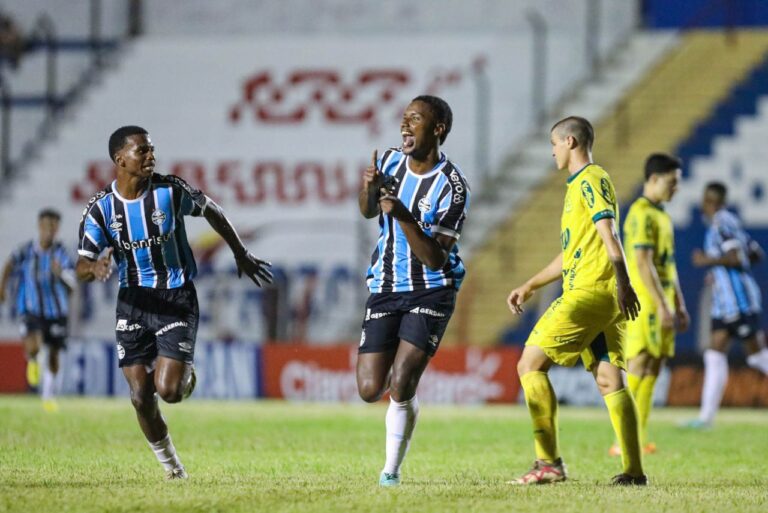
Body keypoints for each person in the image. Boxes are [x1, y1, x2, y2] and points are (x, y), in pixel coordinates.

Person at [75, 126, 273, 479]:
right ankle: (173, 468)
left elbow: (212, 209)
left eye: (152, 150)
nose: (151, 156)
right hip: (133, 301)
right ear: (120, 159)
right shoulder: (101, 210)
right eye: (143, 151)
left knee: (168, 391)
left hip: (176, 296)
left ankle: (182, 375)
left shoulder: (169, 191)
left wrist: (240, 253)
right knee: (139, 397)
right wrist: (95, 266)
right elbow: (80, 266)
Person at [506, 116, 647, 486]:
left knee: (529, 364)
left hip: (590, 293)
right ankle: (633, 471)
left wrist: (624, 283)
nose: (552, 151)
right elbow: (573, 253)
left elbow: (609, 232)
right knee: (609, 377)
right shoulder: (579, 187)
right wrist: (531, 284)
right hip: (603, 293)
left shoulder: (590, 179)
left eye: (553, 144)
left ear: (569, 142)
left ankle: (548, 463)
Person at [356, 95, 470, 487]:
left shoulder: (453, 188)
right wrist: (369, 188)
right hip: (386, 286)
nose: (405, 126)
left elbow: (435, 259)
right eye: (404, 119)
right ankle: (399, 413)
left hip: (432, 290)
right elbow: (369, 211)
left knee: (402, 380)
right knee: (370, 388)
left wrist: (402, 213)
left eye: (415, 120)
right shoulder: (388, 161)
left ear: (437, 129)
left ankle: (390, 471)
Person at [607, 154, 689, 457]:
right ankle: (623, 440)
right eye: (672, 182)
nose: (676, 189)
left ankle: (637, 438)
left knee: (654, 365)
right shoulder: (640, 214)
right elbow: (641, 262)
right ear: (653, 179)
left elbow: (668, 266)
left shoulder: (662, 215)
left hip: (663, 301)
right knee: (639, 362)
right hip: (645, 303)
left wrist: (678, 303)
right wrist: (661, 305)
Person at [686, 181, 768, 428]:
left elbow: (734, 257)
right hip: (726, 303)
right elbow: (755, 254)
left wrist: (707, 260)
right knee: (714, 354)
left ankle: (705, 417)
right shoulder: (732, 223)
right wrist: (723, 274)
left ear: (709, 201)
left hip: (739, 302)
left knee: (756, 357)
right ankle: (705, 418)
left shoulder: (721, 224)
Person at [0, 209, 75, 411]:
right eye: (46, 226)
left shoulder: (62, 253)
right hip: (31, 307)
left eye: (53, 226)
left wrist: (60, 275)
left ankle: (48, 396)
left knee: (53, 354)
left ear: (57, 229)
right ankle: (32, 358)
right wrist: (2, 287)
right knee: (33, 346)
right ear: (39, 226)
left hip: (57, 311)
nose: (49, 230)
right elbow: (8, 264)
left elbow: (72, 286)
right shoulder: (25, 250)